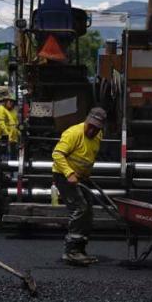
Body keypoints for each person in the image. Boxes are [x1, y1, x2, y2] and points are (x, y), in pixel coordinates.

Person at [52, 107, 106, 266]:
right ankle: (71, 252)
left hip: (81, 177)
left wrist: (85, 174)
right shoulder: (73, 133)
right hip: (64, 176)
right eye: (91, 126)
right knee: (80, 208)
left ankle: (80, 249)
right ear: (87, 121)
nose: (92, 130)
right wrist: (69, 173)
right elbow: (57, 154)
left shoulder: (98, 136)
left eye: (97, 128)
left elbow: (87, 156)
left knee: (88, 210)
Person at [0, 91, 18, 158]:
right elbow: (1, 123)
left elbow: (15, 123)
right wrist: (8, 133)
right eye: (9, 101)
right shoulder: (0, 109)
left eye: (12, 102)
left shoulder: (12, 111)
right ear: (5, 101)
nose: (11, 103)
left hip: (8, 136)